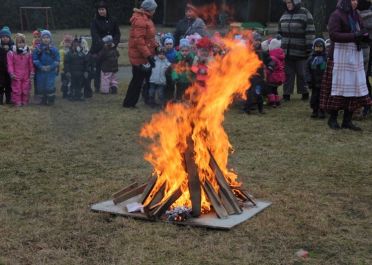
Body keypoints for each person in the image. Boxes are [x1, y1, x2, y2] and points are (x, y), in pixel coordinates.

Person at [320, 0, 372, 131]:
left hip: (354, 56)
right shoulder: (336, 15)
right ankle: (332, 119)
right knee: (338, 90)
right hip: (339, 58)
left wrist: (365, 36)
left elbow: (362, 29)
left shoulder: (356, 15)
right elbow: (333, 35)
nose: (355, 2)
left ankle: (347, 121)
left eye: (356, 0)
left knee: (353, 89)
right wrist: (354, 35)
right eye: (353, 0)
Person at [278, 0, 316, 101]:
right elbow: (280, 31)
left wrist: (309, 47)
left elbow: (310, 31)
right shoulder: (284, 14)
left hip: (301, 50)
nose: (288, 5)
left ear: (296, 2)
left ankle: (304, 93)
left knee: (302, 73)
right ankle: (286, 94)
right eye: (287, 3)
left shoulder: (305, 14)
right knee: (288, 73)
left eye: (290, 3)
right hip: (286, 51)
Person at [123, 0, 158, 108]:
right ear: (149, 9)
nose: (155, 11)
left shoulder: (146, 18)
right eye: (154, 9)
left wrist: (156, 46)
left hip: (144, 55)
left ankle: (147, 100)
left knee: (146, 78)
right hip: (139, 56)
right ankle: (129, 103)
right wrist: (148, 56)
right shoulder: (141, 20)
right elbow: (139, 41)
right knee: (137, 80)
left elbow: (149, 38)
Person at [90, 0, 121, 93]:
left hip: (111, 49)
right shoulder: (94, 22)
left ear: (106, 10)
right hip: (99, 49)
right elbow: (94, 35)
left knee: (111, 68)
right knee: (98, 68)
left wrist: (114, 43)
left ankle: (112, 86)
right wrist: (103, 45)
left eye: (103, 9)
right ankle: (97, 86)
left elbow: (117, 34)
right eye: (99, 10)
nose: (101, 11)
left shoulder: (113, 20)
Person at [32, 30, 60, 105]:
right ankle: (42, 100)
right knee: (41, 85)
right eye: (44, 37)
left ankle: (50, 99)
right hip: (40, 71)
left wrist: (51, 67)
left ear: (50, 39)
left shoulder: (54, 49)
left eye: (48, 37)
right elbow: (35, 59)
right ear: (41, 39)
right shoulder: (38, 49)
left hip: (51, 71)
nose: (46, 39)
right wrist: (41, 67)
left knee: (50, 85)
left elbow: (57, 59)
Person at [7, 33, 34, 106]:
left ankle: (25, 101)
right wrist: (11, 73)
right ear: (16, 43)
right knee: (17, 89)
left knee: (25, 88)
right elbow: (10, 64)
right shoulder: (12, 52)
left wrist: (32, 72)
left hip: (26, 74)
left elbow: (30, 63)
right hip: (16, 74)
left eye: (22, 42)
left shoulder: (28, 52)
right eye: (19, 42)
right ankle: (17, 101)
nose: (21, 44)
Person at [305, 38, 327, 118]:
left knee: (323, 97)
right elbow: (307, 70)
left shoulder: (326, 58)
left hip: (323, 82)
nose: (318, 49)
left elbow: (327, 69)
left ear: (323, 47)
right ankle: (315, 110)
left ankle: (322, 111)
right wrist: (309, 79)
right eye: (317, 47)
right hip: (314, 82)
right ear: (314, 47)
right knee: (314, 97)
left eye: (320, 47)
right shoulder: (311, 58)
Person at [357, 0, 372, 117]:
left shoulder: (357, 17)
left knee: (363, 79)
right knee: (365, 79)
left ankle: (366, 105)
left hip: (364, 49)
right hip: (366, 49)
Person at [265, 37, 285, 107]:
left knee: (270, 90)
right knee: (275, 89)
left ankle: (272, 102)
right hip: (279, 77)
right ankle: (277, 101)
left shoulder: (272, 57)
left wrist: (265, 73)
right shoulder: (280, 55)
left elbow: (270, 67)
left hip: (273, 77)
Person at [0, 26, 14, 105]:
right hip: (0, 69)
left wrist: (9, 49)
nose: (5, 38)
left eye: (7, 37)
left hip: (9, 69)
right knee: (1, 84)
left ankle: (9, 99)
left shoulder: (13, 46)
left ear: (9, 37)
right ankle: (0, 99)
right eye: (3, 37)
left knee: (9, 85)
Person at [59, 34, 73, 98]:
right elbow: (60, 61)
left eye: (69, 42)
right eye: (66, 42)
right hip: (63, 70)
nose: (67, 44)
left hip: (70, 70)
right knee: (64, 82)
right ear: (63, 43)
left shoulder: (72, 51)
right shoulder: (61, 51)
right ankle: (64, 93)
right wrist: (61, 68)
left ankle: (70, 92)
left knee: (70, 81)